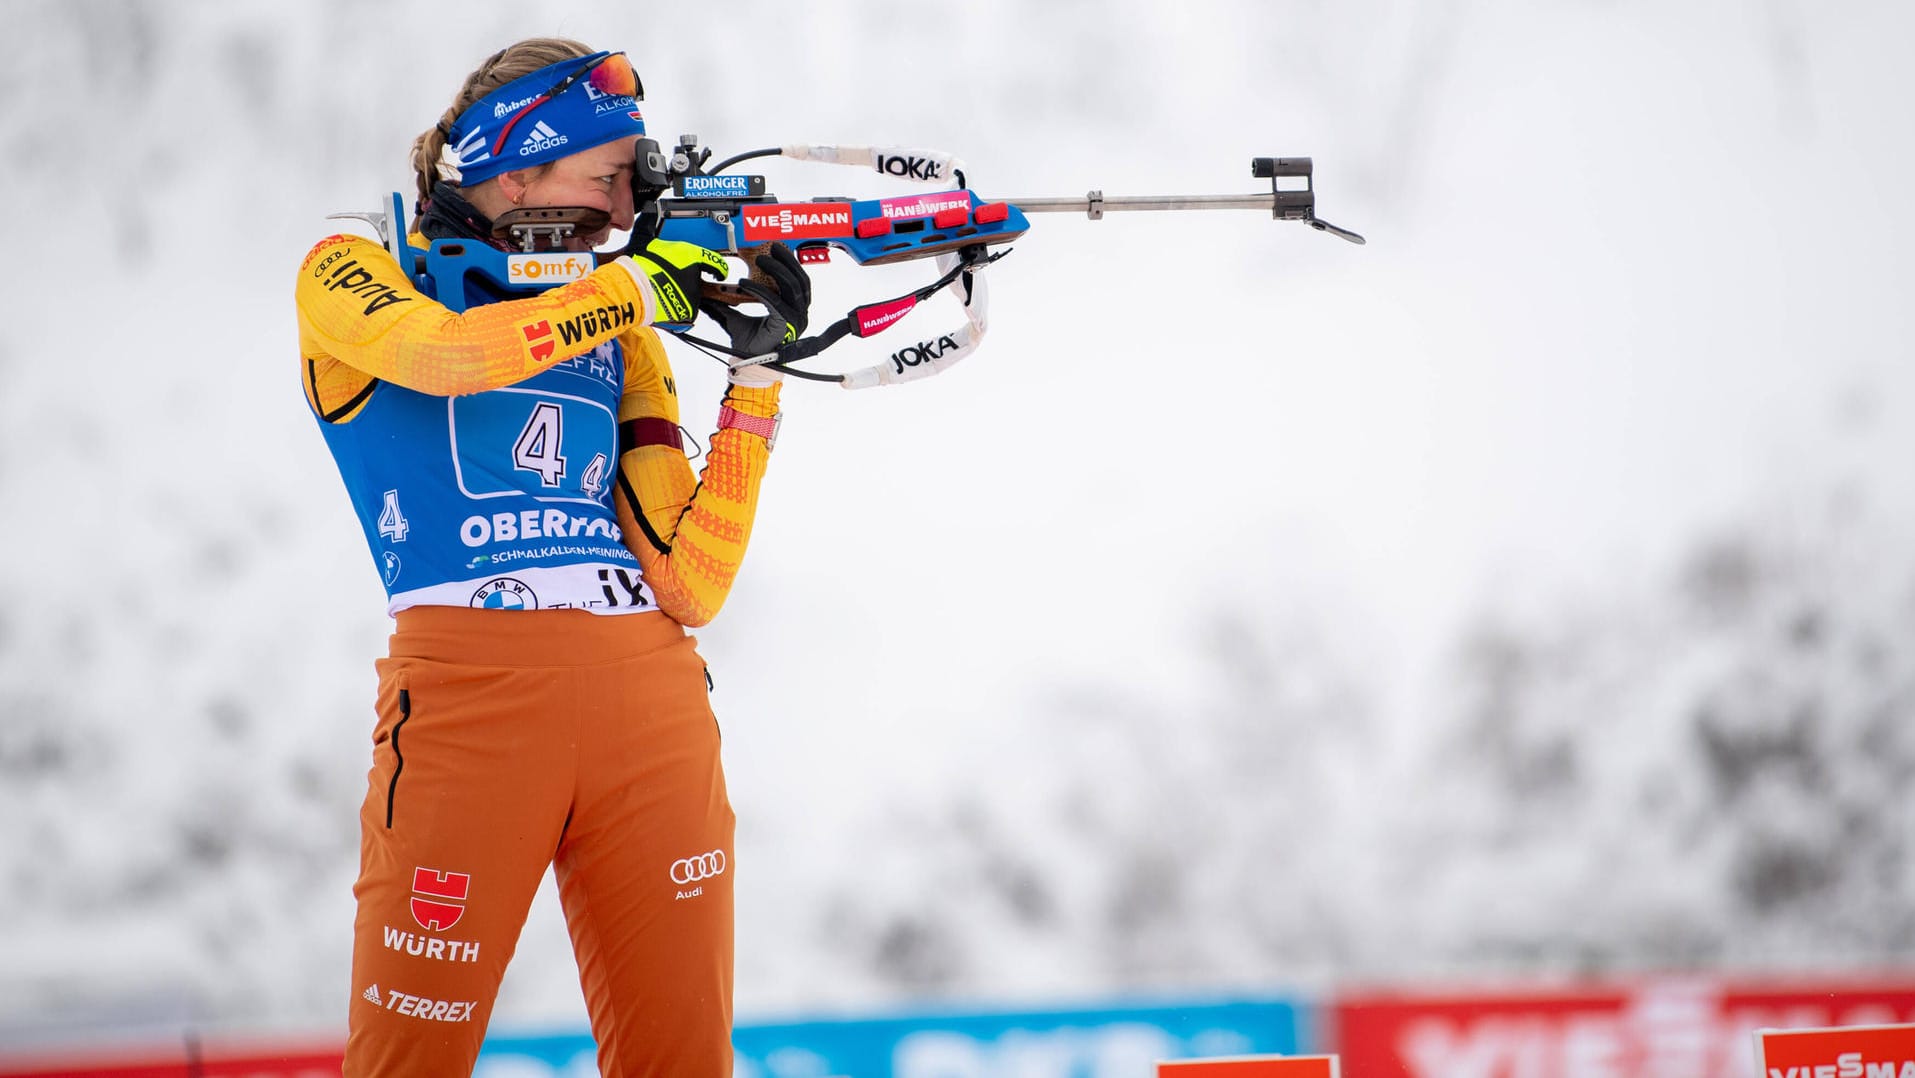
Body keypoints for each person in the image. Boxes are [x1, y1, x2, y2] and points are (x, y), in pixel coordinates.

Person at [293, 37, 809, 1077]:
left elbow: (688, 581)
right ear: (515, 166)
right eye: (605, 177)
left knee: (684, 1062)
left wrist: (755, 383)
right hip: (470, 702)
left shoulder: (624, 336)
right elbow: (448, 358)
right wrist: (636, 291)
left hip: (650, 700)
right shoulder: (353, 270)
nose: (624, 213)